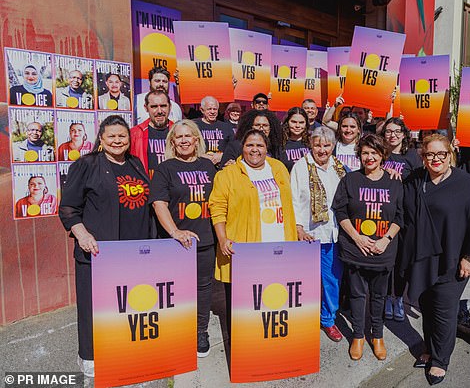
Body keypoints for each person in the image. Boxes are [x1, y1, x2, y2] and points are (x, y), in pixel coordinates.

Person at [59, 115, 152, 378]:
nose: (117, 141)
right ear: (101, 138)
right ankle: (89, 355)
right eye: (111, 136)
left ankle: (121, 349)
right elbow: (68, 207)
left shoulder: (135, 164)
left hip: (132, 251)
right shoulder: (86, 165)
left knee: (124, 304)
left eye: (122, 136)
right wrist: (82, 234)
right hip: (98, 251)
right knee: (93, 305)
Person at [401, 133, 470, 385]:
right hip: (422, 258)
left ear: (449, 155)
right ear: (422, 157)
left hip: (453, 259)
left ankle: (440, 361)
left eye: (440, 154)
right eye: (429, 154)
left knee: (443, 310)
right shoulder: (414, 180)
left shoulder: (465, 183)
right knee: (427, 306)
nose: (435, 159)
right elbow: (400, 205)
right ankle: (430, 349)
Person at [209, 129, 297, 330]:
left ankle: (268, 339)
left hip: (279, 245)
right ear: (242, 148)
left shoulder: (278, 167)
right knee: (244, 301)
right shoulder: (227, 174)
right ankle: (243, 345)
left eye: (260, 145)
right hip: (245, 248)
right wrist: (222, 239)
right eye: (250, 145)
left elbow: (292, 202)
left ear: (267, 148)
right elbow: (218, 208)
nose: (254, 150)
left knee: (273, 296)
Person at [332, 134, 403, 361]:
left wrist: (385, 240)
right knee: (357, 294)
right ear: (359, 155)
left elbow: (401, 216)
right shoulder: (350, 180)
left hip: (383, 252)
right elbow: (340, 211)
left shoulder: (394, 182)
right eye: (365, 153)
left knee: (379, 296)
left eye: (374, 153)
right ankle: (359, 336)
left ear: (383, 155)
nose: (369, 157)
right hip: (356, 250)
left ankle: (378, 336)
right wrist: (357, 238)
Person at [149, 120, 217, 358]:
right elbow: (159, 203)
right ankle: (175, 332)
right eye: (179, 137)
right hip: (175, 243)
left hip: (205, 240)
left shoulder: (209, 167)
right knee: (173, 290)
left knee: (203, 288)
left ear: (197, 139)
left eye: (189, 136)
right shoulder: (165, 168)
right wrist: (175, 232)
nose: (185, 140)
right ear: (172, 142)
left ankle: (200, 332)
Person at [290, 126, 347, 342]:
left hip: (333, 233)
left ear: (333, 146)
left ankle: (328, 319)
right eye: (317, 145)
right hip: (308, 233)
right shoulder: (300, 167)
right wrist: (298, 227)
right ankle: (302, 317)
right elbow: (293, 199)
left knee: (331, 279)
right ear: (310, 145)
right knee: (304, 279)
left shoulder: (340, 168)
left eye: (326, 145)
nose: (322, 150)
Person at [379, 117, 422, 322]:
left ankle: (398, 298)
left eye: (397, 131)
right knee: (386, 258)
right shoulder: (380, 154)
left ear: (404, 134)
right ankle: (386, 296)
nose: (392, 135)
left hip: (405, 214)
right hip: (383, 213)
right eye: (388, 131)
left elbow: (420, 183)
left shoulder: (412, 156)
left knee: (402, 260)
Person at [130, 90, 174, 179]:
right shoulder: (134, 134)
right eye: (154, 107)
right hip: (146, 188)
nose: (159, 111)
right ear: (146, 108)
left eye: (163, 106)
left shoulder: (179, 132)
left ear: (170, 107)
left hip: (173, 188)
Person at [219, 109, 284, 167]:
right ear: (249, 127)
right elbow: (223, 170)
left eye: (265, 125)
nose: (261, 129)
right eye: (257, 125)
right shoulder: (235, 146)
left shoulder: (276, 147)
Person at [193, 96, 234, 166]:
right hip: (200, 166)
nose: (212, 112)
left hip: (221, 167)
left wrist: (222, 156)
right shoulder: (193, 125)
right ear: (202, 110)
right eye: (209, 109)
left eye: (215, 109)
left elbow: (233, 148)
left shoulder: (226, 127)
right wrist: (202, 156)